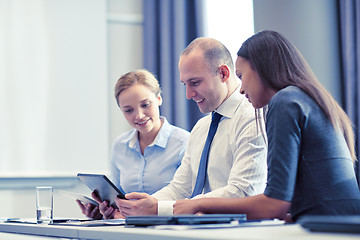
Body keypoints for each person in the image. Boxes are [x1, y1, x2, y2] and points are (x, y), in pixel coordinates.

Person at [173, 30, 360, 222]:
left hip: (329, 228)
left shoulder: (285, 102)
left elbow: (274, 204)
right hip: (339, 222)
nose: (242, 87)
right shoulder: (304, 98)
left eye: (242, 75)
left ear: (262, 69)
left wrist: (198, 203)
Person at [99, 37, 268, 219]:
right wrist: (141, 207)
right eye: (185, 84)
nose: (188, 94)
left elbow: (243, 191)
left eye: (195, 83)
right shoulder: (201, 128)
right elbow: (180, 188)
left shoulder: (252, 118)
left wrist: (159, 209)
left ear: (224, 74)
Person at [77, 69, 190, 219]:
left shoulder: (184, 142)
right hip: (129, 229)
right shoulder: (120, 145)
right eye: (129, 110)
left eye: (145, 105)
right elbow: (117, 200)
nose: (139, 115)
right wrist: (105, 212)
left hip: (171, 228)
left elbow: (192, 200)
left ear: (159, 99)